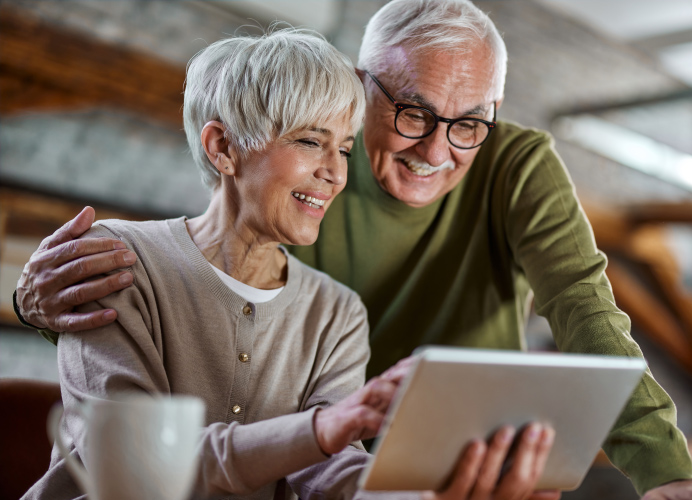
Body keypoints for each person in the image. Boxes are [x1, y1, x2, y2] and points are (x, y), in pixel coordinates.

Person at [14, 1, 692, 499]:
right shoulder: (299, 179)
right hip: (324, 450)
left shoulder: (504, 170)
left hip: (437, 457)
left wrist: (663, 474)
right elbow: (200, 271)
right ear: (362, 89)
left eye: (471, 121)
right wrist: (37, 300)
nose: (438, 148)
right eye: (413, 111)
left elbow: (588, 314)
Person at [22, 29, 557, 500]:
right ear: (224, 147)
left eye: (344, 149)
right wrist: (321, 428)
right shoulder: (115, 260)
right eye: (309, 141)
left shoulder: (337, 311)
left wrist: (428, 495)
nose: (335, 174)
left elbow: (330, 473)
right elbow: (135, 470)